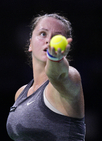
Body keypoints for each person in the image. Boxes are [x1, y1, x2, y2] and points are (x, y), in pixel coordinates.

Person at [6, 13, 86, 141]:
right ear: (30, 43)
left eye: (57, 37)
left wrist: (55, 58)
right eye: (43, 34)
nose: (49, 40)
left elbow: (56, 74)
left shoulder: (70, 77)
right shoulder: (21, 93)